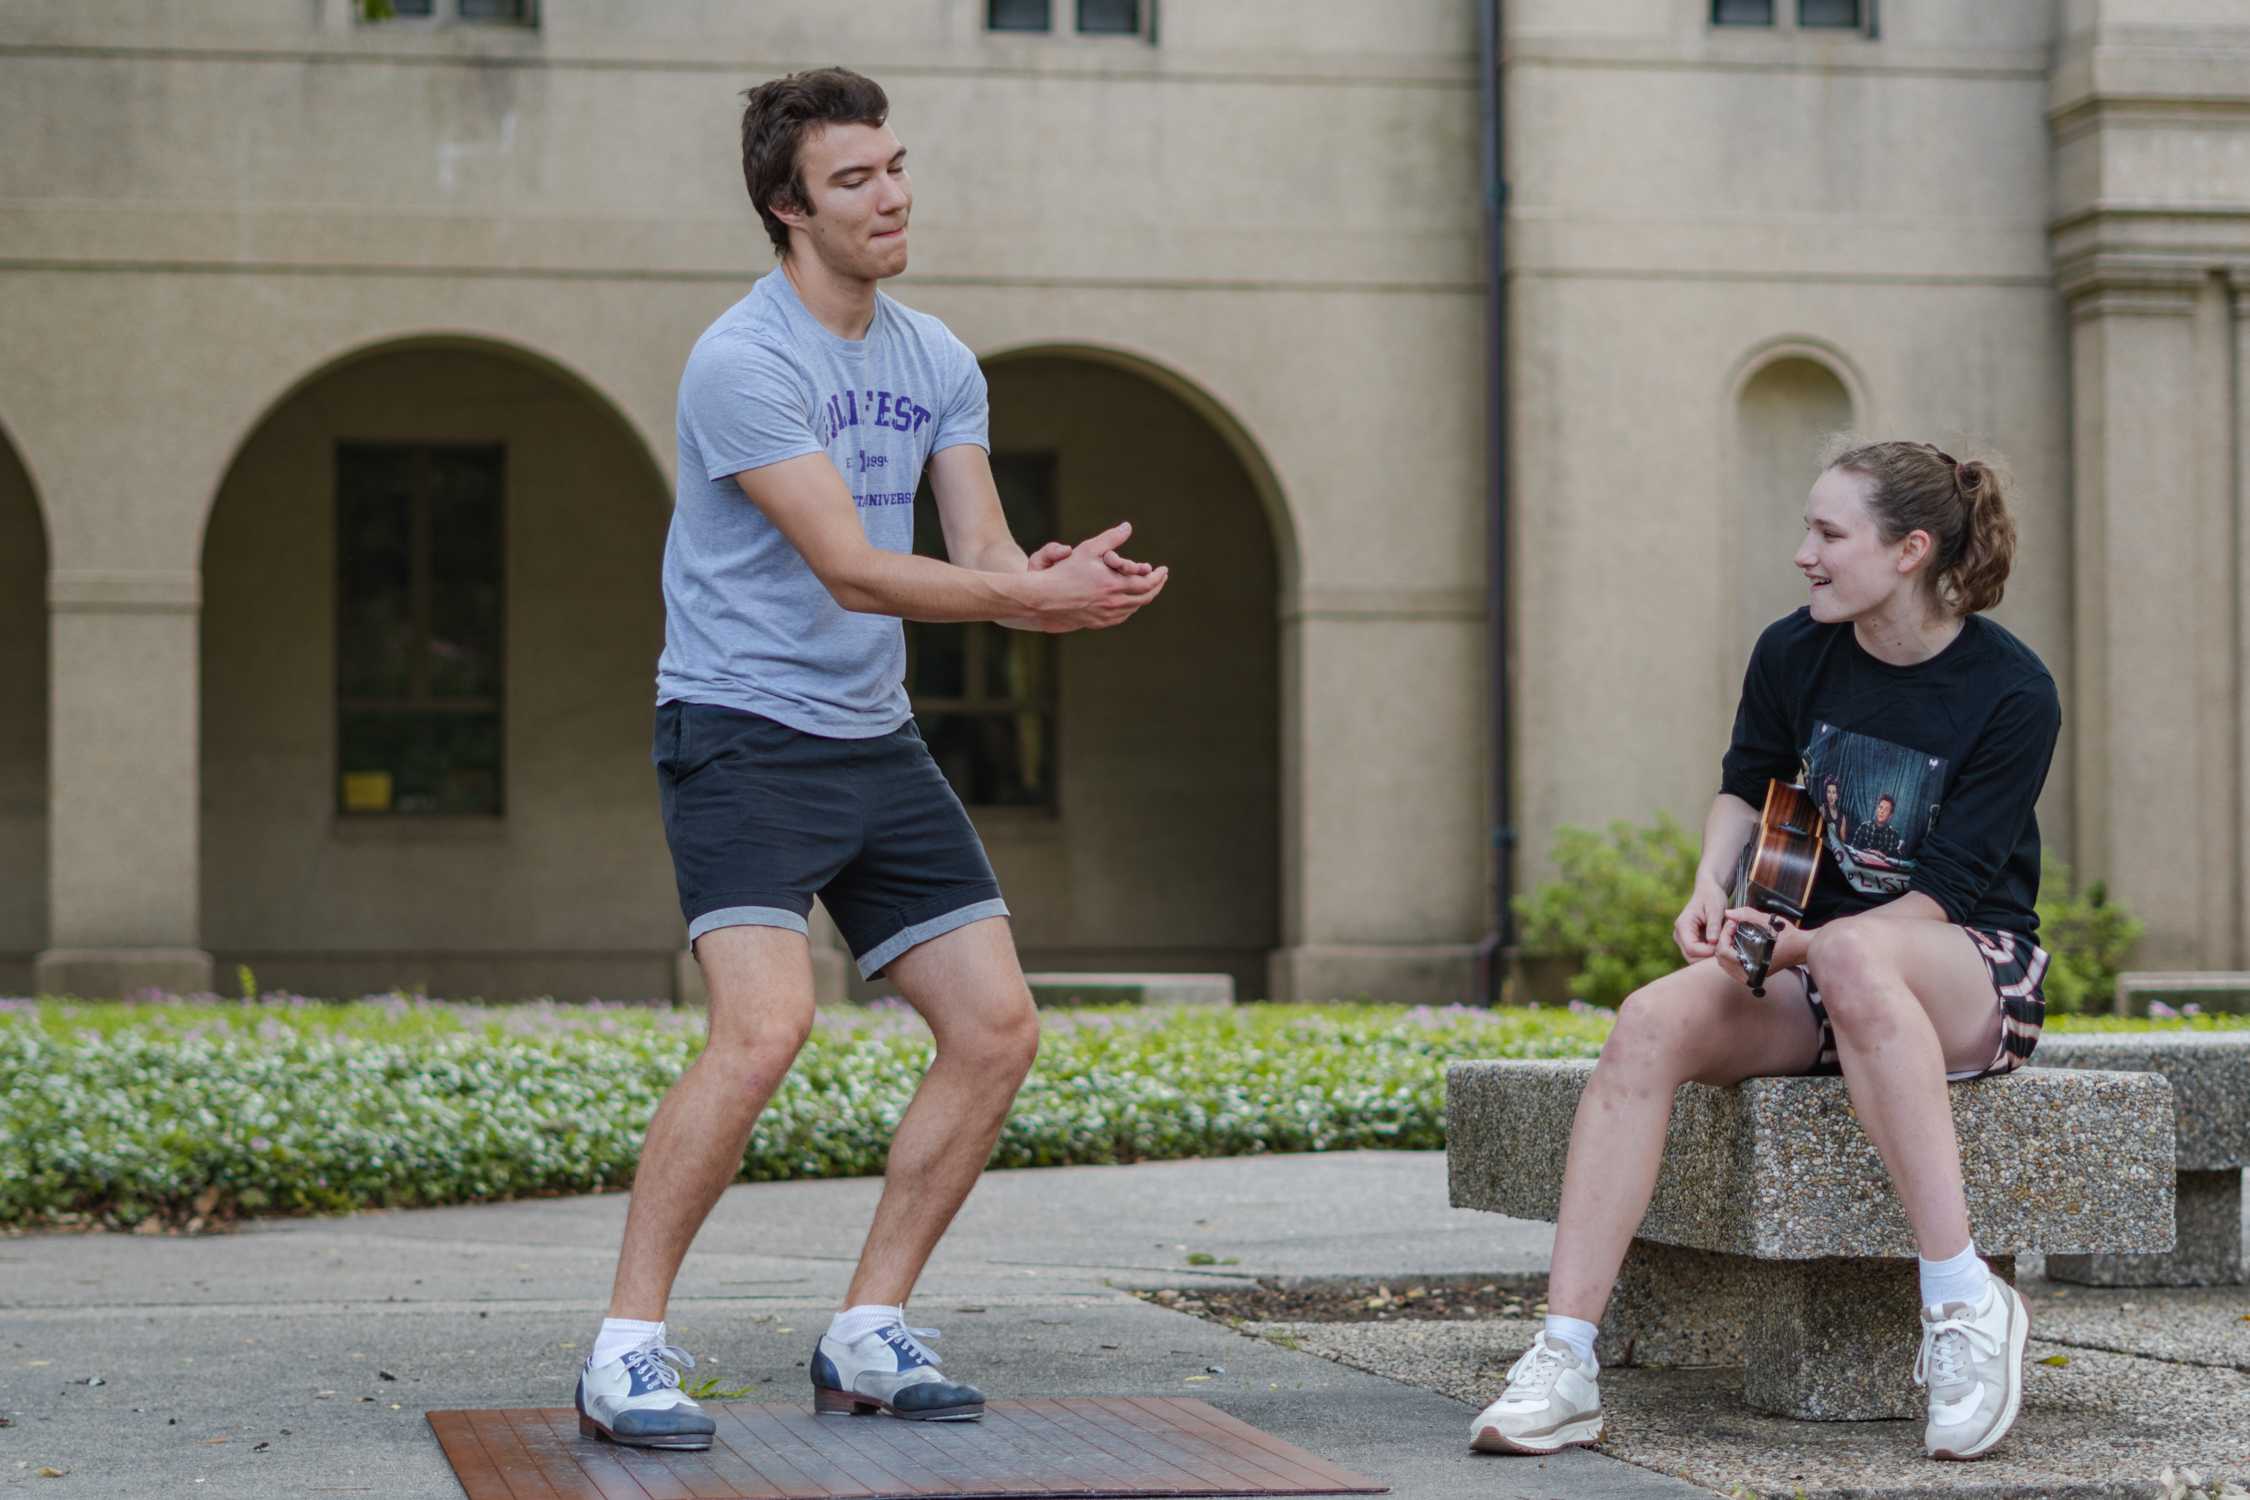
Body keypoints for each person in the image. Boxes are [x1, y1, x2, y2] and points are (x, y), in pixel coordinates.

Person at [574, 66, 1169, 1452]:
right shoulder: (744, 361)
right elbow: (847, 568)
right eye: (854, 180)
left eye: (895, 166)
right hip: (738, 734)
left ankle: (864, 1332)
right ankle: (625, 1349)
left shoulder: (937, 358)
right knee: (765, 1029)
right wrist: (1025, 600)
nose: (891, 195)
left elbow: (978, 557)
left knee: (995, 1029)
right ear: (787, 208)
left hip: (872, 740)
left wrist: (1045, 574)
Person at [1470, 441, 2057, 1463]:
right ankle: (1563, 1360)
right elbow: (1748, 786)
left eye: (1829, 534)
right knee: (1650, 1020)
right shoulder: (1797, 651)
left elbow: (1942, 897)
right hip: (1810, 965)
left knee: (1857, 960)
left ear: (1911, 549)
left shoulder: (2010, 691)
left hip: (1963, 966)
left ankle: (1964, 1300)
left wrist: (1805, 948)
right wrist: (1711, 882)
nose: (1803, 554)